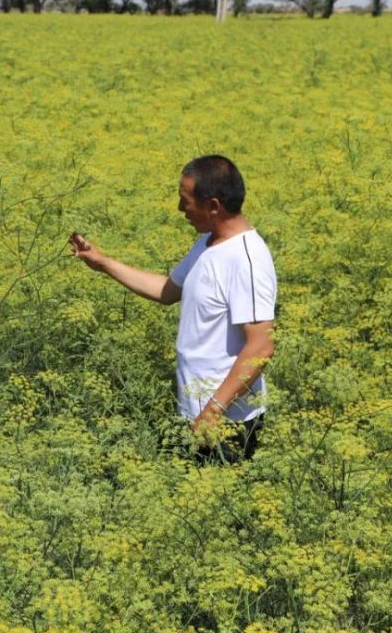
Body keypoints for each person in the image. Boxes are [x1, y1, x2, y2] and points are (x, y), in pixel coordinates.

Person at [69, 155, 277, 463]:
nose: (181, 210)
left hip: (227, 424)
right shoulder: (209, 242)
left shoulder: (247, 260)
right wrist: (103, 263)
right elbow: (168, 290)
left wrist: (212, 413)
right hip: (197, 415)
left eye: (185, 201)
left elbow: (260, 347)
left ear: (214, 206)